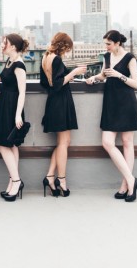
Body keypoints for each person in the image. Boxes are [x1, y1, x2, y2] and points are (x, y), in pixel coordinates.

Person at [86, 30, 137, 202]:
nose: (106, 47)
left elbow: (136, 84)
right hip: (110, 102)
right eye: (105, 44)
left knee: (127, 143)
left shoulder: (129, 58)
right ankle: (132, 180)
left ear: (117, 43)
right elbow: (104, 75)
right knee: (107, 142)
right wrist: (93, 78)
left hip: (126, 102)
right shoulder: (107, 56)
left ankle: (126, 185)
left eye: (108, 44)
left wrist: (119, 75)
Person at [40, 32, 87, 197]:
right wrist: (74, 72)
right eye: (68, 48)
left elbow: (46, 84)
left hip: (53, 102)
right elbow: (59, 84)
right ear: (64, 46)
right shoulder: (57, 59)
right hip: (61, 103)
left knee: (63, 142)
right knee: (64, 142)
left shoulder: (46, 57)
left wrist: (65, 78)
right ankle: (62, 180)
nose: (67, 51)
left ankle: (50, 177)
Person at [0, 34, 29, 202]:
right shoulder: (9, 62)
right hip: (5, 104)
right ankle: (12, 181)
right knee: (12, 144)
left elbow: (22, 92)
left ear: (13, 46)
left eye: (4, 43)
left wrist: (17, 114)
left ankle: (16, 181)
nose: (2, 45)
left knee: (2, 143)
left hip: (12, 107)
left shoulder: (19, 64)